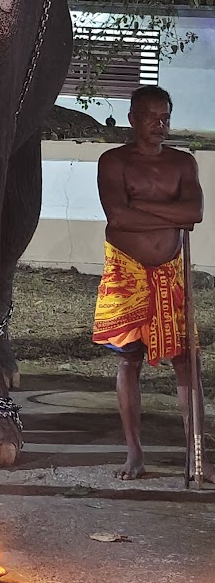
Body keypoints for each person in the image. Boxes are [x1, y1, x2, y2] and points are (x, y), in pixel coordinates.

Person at [93, 84, 214, 481]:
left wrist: (139, 206)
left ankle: (198, 456)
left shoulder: (183, 163)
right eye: (151, 117)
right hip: (125, 272)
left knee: (186, 362)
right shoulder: (113, 161)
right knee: (128, 360)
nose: (159, 126)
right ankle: (134, 453)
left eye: (165, 117)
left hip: (170, 274)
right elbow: (118, 218)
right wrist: (169, 214)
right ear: (132, 119)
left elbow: (194, 212)